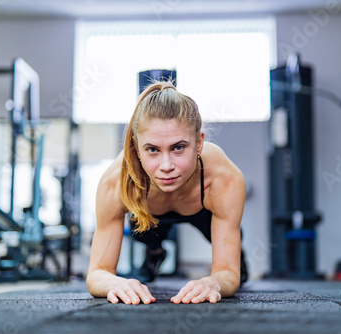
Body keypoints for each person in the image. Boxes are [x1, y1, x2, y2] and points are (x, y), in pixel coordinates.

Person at [87, 81, 248, 305]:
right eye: (152, 149)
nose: (166, 166)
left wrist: (215, 282)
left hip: (201, 210)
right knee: (144, 232)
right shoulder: (116, 181)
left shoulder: (223, 178)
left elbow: (227, 273)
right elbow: (97, 273)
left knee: (236, 264)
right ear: (137, 148)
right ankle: (154, 253)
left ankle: (241, 255)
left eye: (178, 147)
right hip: (149, 212)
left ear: (199, 143)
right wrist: (114, 283)